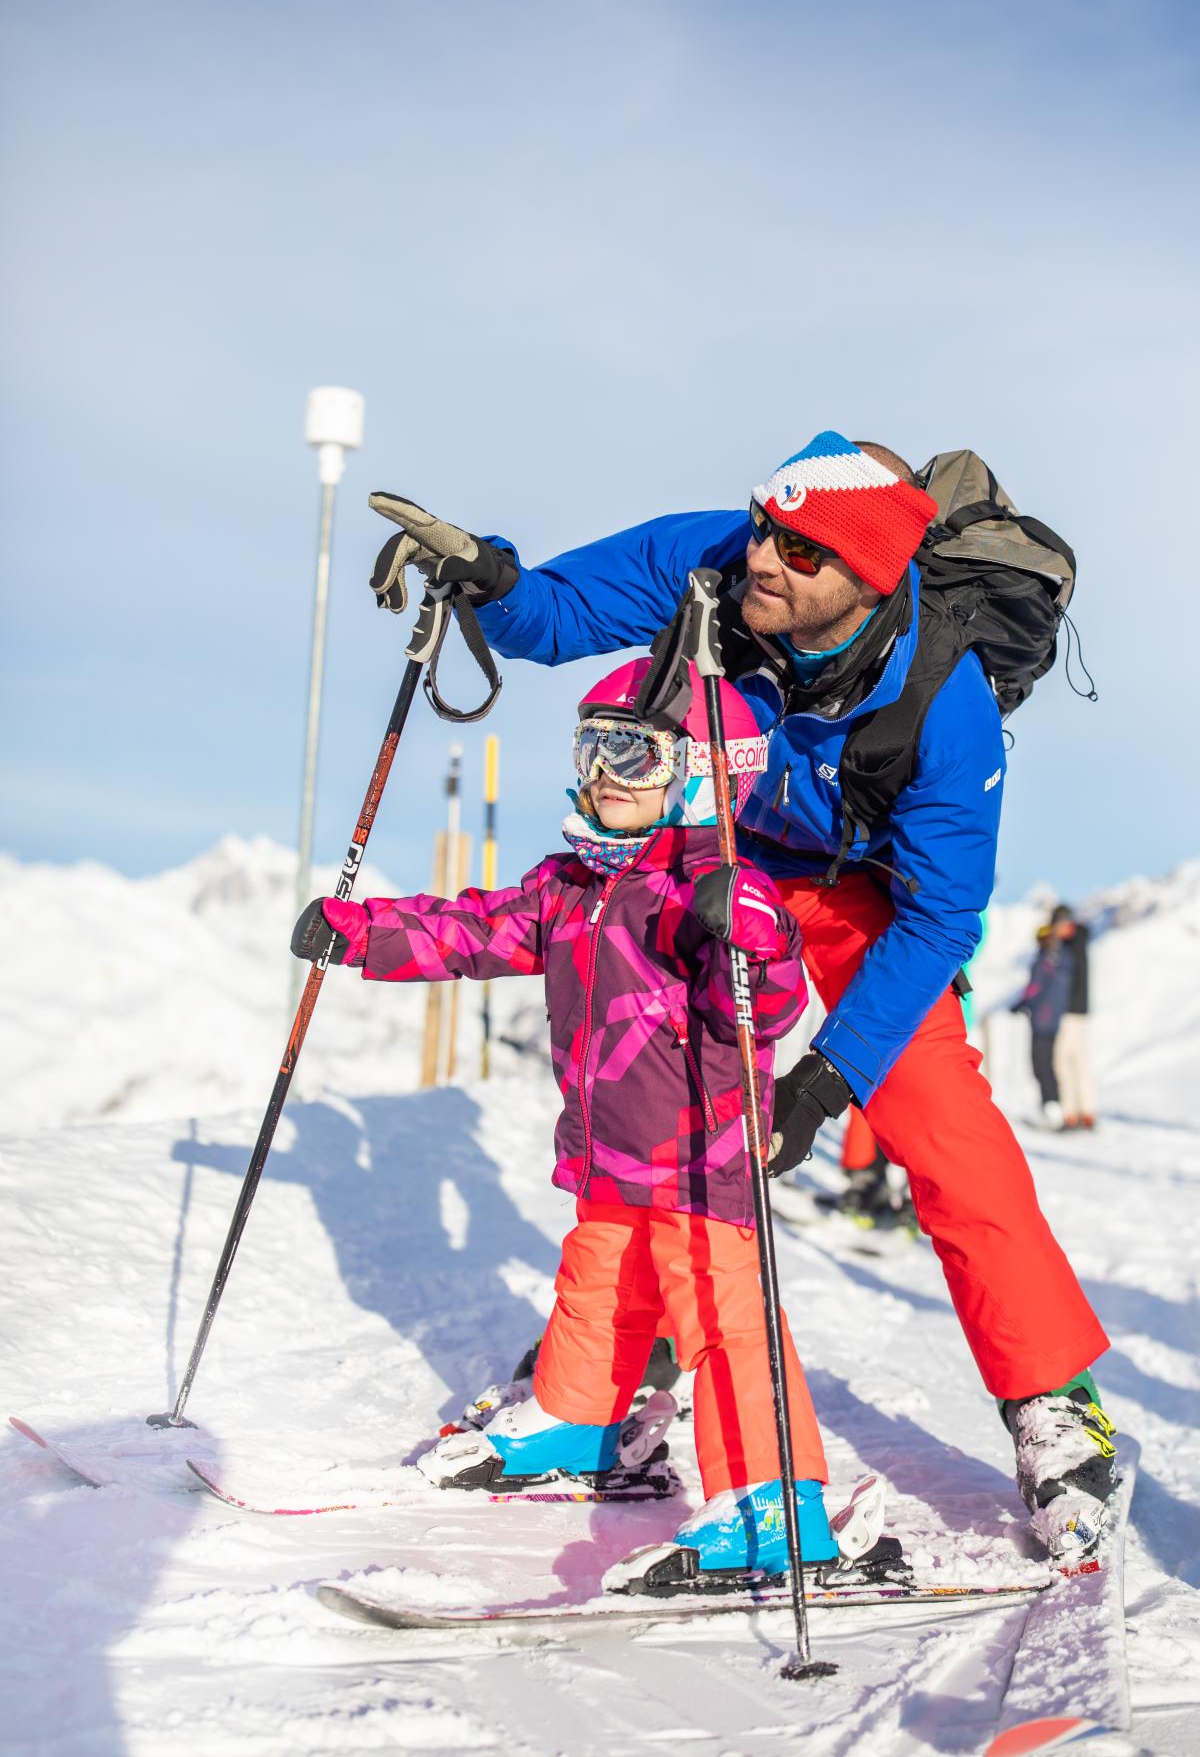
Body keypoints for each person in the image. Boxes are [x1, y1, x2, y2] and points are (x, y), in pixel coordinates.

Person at [365, 431, 1118, 1557]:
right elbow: (555, 618)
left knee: (941, 1127)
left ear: (868, 577)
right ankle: (617, 1380)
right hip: (715, 862)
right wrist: (490, 578)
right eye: (766, 525)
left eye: (800, 550)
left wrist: (828, 1077)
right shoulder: (714, 563)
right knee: (661, 1111)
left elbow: (941, 919)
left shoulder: (945, 700)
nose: (765, 555)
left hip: (866, 895)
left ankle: (1052, 1399)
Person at [292, 657, 843, 1587]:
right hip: (609, 1155)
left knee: (725, 1317)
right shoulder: (572, 884)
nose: (604, 773)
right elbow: (473, 929)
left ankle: (775, 1503)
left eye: (634, 754)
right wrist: (364, 931)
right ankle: (578, 1422)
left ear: (704, 774)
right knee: (598, 1286)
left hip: (701, 1163)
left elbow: (769, 1005)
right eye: (593, 748)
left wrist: (749, 932)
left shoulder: (714, 890)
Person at [1014, 925, 1072, 1130]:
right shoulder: (1061, 961)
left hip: (1041, 1020)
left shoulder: (1043, 962)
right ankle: (1053, 1109)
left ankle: (1051, 1111)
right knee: (1047, 1064)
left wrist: (1023, 1004)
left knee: (1041, 1065)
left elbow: (1035, 989)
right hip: (1053, 1020)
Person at [1050, 904, 1096, 1129]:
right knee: (1079, 1062)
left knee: (1062, 1061)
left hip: (1068, 1011)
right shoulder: (1080, 941)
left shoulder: (1069, 947)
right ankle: (1087, 1112)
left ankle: (1070, 1114)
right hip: (1080, 1011)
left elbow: (1063, 981)